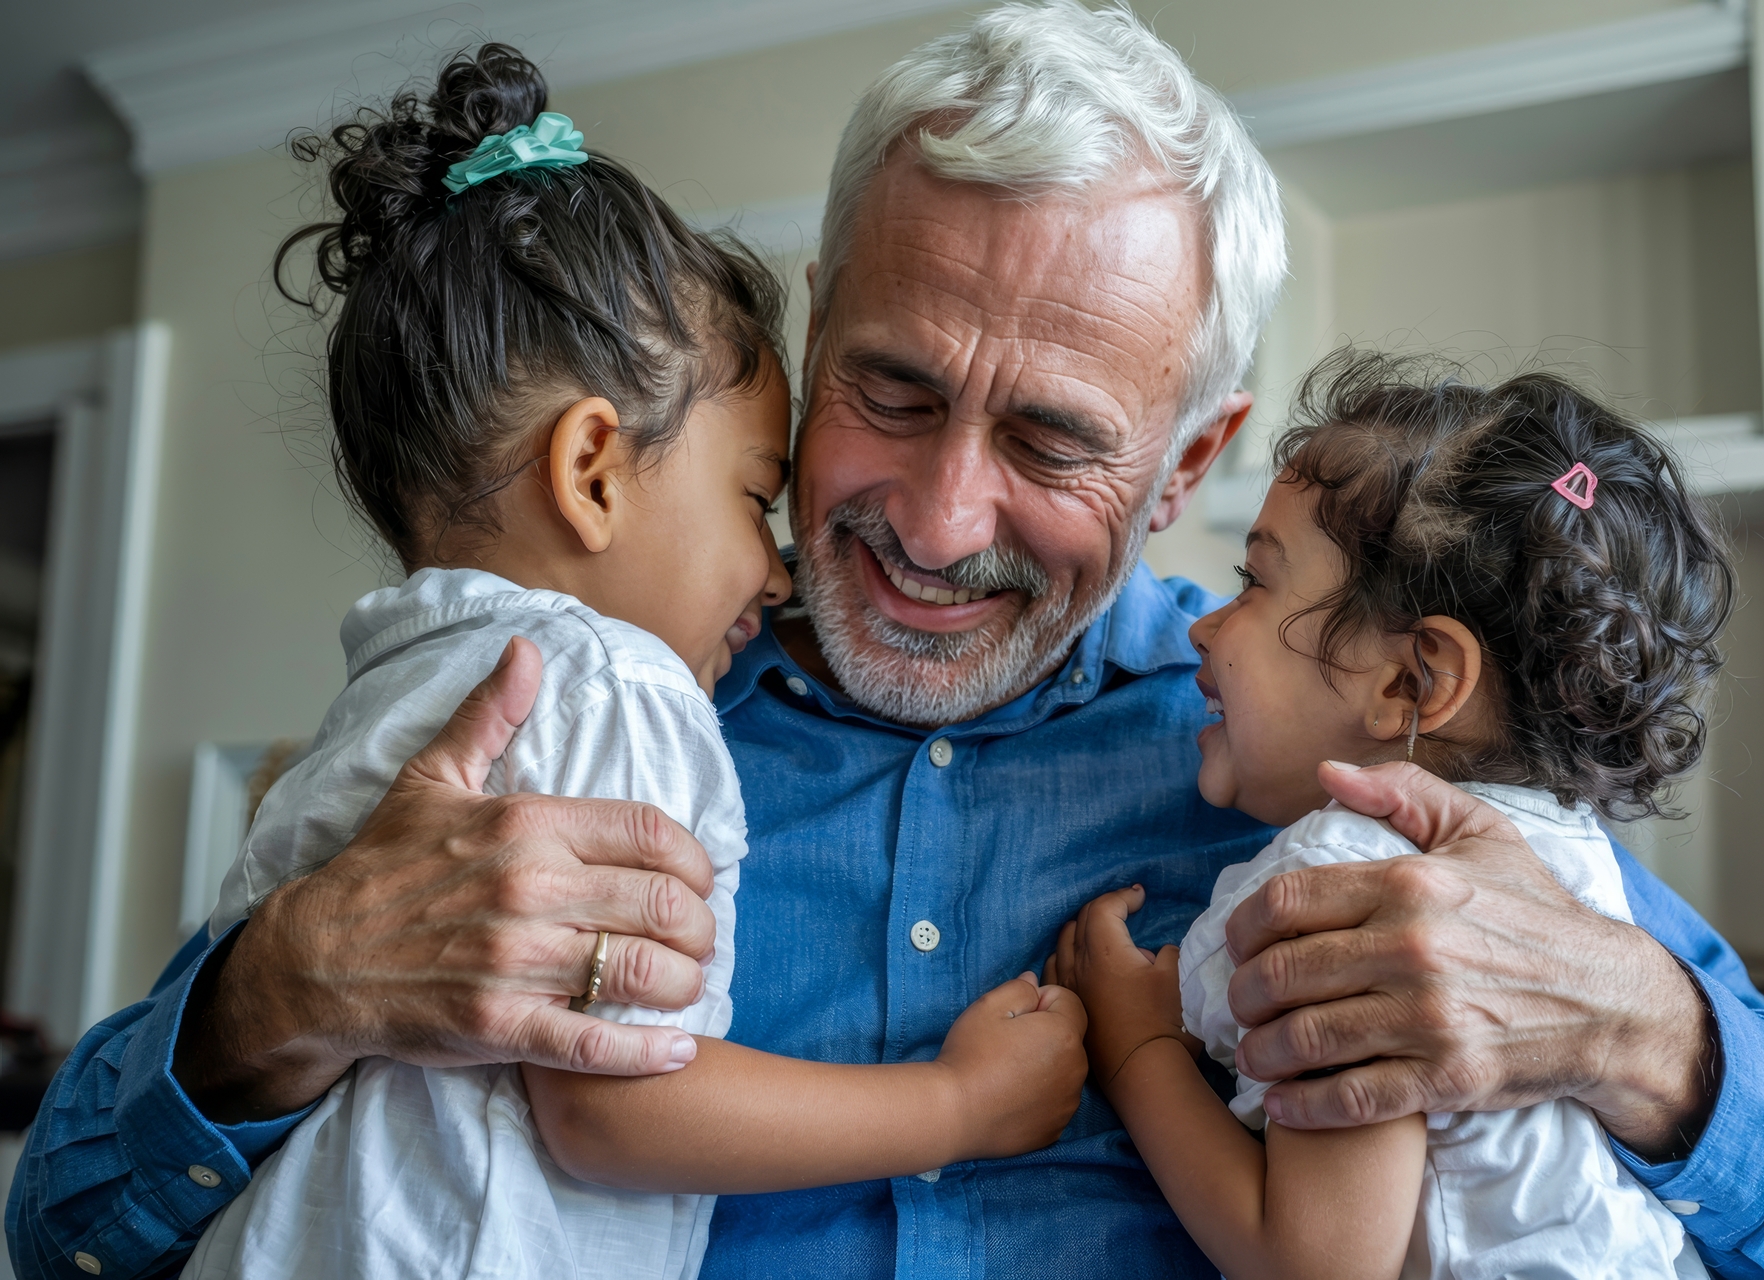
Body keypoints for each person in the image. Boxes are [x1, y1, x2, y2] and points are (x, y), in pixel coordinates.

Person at [7, 5, 1764, 1280]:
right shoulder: (574, 711)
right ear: (816, 337)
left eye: (1058, 439)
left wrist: (1645, 1035)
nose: (934, 517)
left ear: (1190, 464)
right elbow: (64, 1219)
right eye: (892, 390)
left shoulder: (1348, 755)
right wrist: (280, 996)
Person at [170, 44, 1086, 1280]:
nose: (772, 570)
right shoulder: (615, 685)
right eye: (754, 496)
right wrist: (959, 1105)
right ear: (594, 470)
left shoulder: (390, 687)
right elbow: (611, 1105)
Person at [1052, 352, 1737, 1279]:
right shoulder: (1570, 860)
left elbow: (1313, 1264)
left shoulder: (1355, 882)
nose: (1203, 626)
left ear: (1411, 682)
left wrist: (1136, 1051)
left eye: (1254, 583)